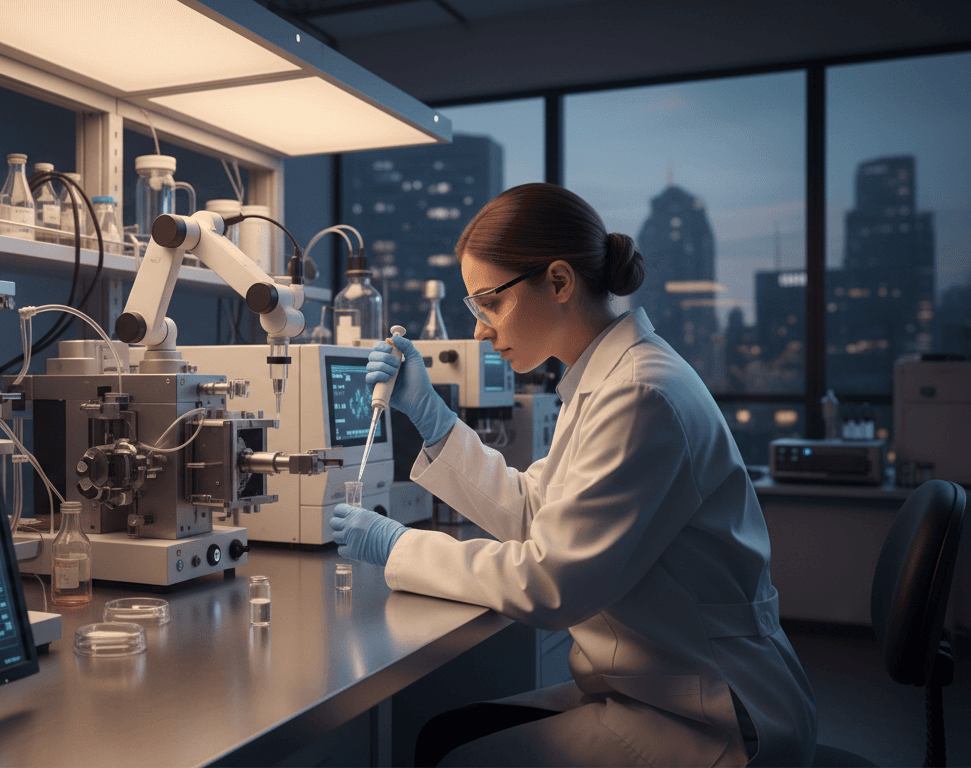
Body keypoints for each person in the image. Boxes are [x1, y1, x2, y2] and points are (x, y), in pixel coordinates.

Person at [330, 183, 817, 767]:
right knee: (441, 736)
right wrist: (434, 422)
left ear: (559, 282)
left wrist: (397, 545)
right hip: (660, 683)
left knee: (454, 756)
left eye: (489, 303)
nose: (480, 330)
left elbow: (550, 581)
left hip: (711, 711)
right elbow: (535, 511)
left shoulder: (640, 393)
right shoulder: (600, 381)